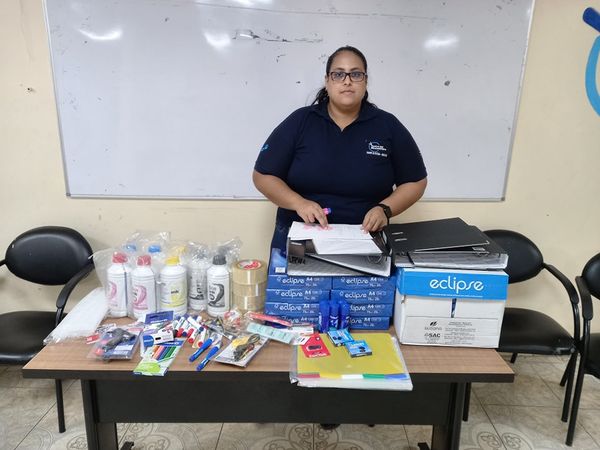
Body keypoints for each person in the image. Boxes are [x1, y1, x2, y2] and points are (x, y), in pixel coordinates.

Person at [253, 45, 427, 251]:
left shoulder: (387, 125)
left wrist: (385, 209)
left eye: (356, 74)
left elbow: (416, 181)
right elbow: (263, 176)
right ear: (327, 81)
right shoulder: (301, 121)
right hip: (300, 238)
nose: (347, 81)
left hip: (364, 239)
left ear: (365, 81)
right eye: (338, 74)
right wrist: (299, 203)